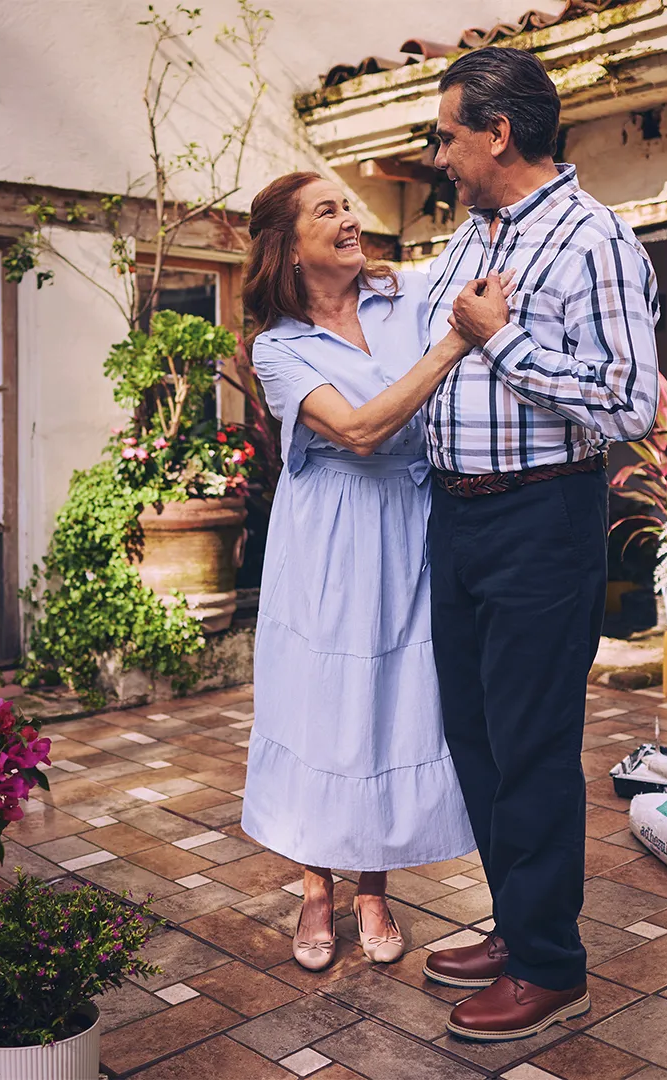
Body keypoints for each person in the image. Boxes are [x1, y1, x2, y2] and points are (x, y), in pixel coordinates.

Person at [415, 47, 660, 1041]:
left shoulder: (595, 240)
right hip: (457, 517)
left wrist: (502, 341)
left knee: (532, 745)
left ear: (498, 132)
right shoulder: (469, 237)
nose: (439, 156)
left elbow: (631, 402)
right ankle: (518, 927)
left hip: (541, 519)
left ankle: (552, 966)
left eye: (447, 137)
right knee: (475, 736)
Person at [240, 171, 477, 973]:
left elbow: (473, 266)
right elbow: (360, 431)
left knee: (392, 700)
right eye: (328, 210)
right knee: (322, 705)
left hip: (409, 520)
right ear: (289, 246)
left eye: (348, 205)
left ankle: (373, 888)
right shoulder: (278, 348)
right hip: (329, 533)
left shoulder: (403, 297)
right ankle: (317, 887)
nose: (350, 219)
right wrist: (455, 344)